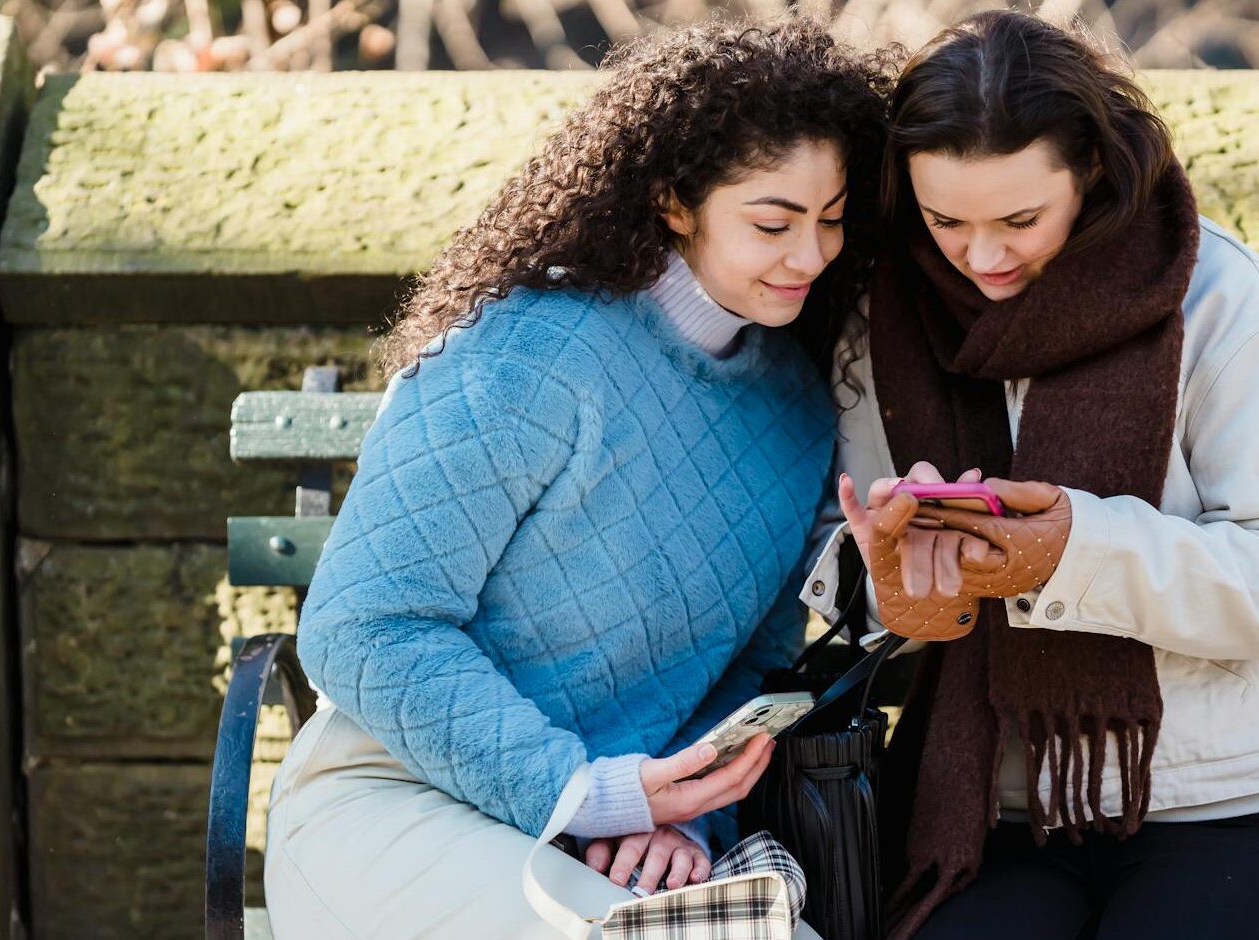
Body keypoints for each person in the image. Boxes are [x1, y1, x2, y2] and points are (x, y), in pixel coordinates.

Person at [262, 19, 893, 937]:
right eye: (773, 222)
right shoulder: (526, 352)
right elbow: (364, 628)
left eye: (831, 221)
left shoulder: (796, 413)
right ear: (676, 202)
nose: (810, 255)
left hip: (611, 838)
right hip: (392, 800)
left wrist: (681, 816)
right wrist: (581, 793)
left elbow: (748, 671)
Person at [807, 11, 1259, 938]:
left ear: (1093, 171)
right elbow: (847, 553)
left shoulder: (1225, 303)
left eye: (1022, 219)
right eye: (947, 221)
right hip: (987, 807)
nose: (983, 258)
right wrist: (889, 588)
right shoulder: (882, 315)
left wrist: (1068, 554)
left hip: (1228, 799)